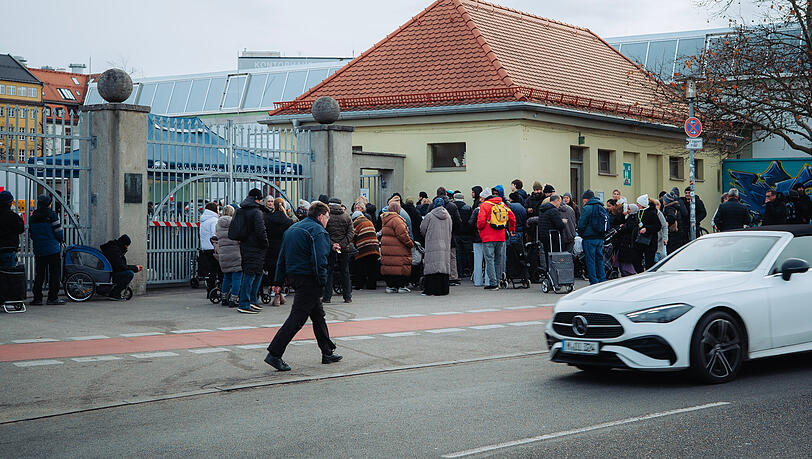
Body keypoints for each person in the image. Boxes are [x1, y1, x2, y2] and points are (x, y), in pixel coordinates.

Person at [265, 201, 341, 372]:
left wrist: (277, 281)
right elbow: (318, 259)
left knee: (318, 315)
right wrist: (322, 282)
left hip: (295, 276)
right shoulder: (319, 231)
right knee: (297, 318)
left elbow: (282, 257)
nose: (327, 221)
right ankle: (274, 353)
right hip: (309, 279)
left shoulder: (293, 229)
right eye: (327, 217)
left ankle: (327, 351)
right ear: (321, 216)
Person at [228, 188, 268, 314]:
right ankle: (245, 303)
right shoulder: (256, 212)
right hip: (256, 247)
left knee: (256, 273)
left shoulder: (242, 210)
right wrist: (265, 243)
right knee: (251, 274)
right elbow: (260, 230)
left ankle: (252, 300)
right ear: (257, 199)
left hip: (245, 246)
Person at [28, 195, 65, 305]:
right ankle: (52, 297)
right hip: (52, 249)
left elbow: (32, 234)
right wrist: (60, 240)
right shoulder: (52, 215)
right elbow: (58, 232)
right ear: (49, 204)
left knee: (39, 274)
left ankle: (37, 298)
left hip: (39, 249)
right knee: (54, 273)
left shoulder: (33, 217)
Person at [477, 188, 516, 290]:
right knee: (498, 259)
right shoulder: (502, 204)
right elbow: (512, 217)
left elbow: (481, 221)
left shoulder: (484, 206)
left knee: (489, 259)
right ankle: (499, 281)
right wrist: (511, 229)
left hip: (488, 237)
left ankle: (493, 283)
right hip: (501, 236)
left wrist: (480, 230)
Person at [420, 197, 453, 296]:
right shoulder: (448, 216)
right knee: (443, 265)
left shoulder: (429, 216)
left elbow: (422, 229)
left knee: (432, 266)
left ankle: (431, 289)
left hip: (432, 244)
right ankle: (443, 289)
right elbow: (450, 230)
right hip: (445, 244)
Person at [323, 198, 353, 304]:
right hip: (343, 249)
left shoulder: (327, 216)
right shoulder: (347, 216)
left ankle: (327, 297)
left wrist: (333, 245)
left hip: (330, 249)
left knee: (329, 271)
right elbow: (350, 233)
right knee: (345, 271)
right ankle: (347, 297)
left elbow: (324, 233)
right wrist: (341, 244)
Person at [264, 198, 293, 306]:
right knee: (281, 272)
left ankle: (276, 294)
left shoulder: (267, 219)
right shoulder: (288, 221)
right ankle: (279, 294)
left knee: (272, 272)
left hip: (270, 249)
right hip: (283, 249)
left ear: (274, 206)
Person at [380, 200, 414, 293]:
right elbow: (403, 235)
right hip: (398, 249)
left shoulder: (385, 219)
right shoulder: (397, 220)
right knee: (399, 267)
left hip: (388, 249)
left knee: (390, 266)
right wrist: (410, 243)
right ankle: (401, 286)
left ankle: (391, 286)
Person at [99, 235, 143, 301]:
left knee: (128, 272)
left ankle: (115, 291)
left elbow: (120, 265)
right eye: (126, 245)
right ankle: (115, 294)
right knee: (129, 274)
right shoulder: (114, 250)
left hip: (109, 272)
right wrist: (135, 268)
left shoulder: (113, 248)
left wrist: (134, 267)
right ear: (123, 244)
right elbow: (120, 266)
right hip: (110, 274)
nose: (127, 247)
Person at [577, 190, 606, 285]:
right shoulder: (601, 206)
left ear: (586, 199)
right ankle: (602, 279)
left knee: (591, 260)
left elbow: (581, 223)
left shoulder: (587, 208)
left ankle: (593, 281)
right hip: (600, 237)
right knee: (600, 259)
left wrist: (581, 233)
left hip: (589, 238)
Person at [215, 205, 241, 307]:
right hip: (235, 252)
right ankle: (233, 298)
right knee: (237, 276)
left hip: (223, 253)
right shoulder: (235, 223)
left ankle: (224, 297)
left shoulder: (218, 224)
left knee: (226, 276)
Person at [351, 210, 380, 290]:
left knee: (360, 267)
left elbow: (353, 236)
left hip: (364, 248)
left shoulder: (356, 223)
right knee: (372, 268)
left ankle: (359, 285)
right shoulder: (369, 221)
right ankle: (372, 285)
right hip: (374, 247)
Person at [636, 195, 662, 270]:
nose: (637, 205)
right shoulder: (638, 213)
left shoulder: (652, 213)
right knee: (637, 260)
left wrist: (647, 229)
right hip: (640, 240)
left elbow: (658, 226)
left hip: (650, 241)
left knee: (649, 262)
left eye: (638, 203)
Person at [199, 202, 221, 291]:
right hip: (213, 248)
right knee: (217, 269)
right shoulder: (214, 220)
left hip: (205, 247)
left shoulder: (203, 220)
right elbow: (215, 234)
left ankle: (210, 288)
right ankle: (215, 288)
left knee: (211, 270)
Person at [616, 203, 642, 276]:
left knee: (626, 259)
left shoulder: (633, 218)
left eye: (629, 209)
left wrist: (623, 226)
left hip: (629, 242)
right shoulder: (629, 217)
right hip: (627, 241)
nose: (627, 211)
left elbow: (629, 226)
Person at [0, 191, 24, 268]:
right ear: (10, 203)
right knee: (8, 275)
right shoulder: (13, 216)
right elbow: (21, 229)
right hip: (9, 249)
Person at [452, 192, 473, 278]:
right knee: (468, 253)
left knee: (458, 254)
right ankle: (469, 271)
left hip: (456, 234)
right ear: (463, 199)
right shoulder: (468, 208)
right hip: (467, 234)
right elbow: (471, 221)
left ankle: (459, 272)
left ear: (454, 198)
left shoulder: (452, 207)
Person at [661, 188, 687, 254]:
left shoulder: (669, 208)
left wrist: (666, 223)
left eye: (664, 200)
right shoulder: (675, 206)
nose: (663, 201)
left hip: (673, 234)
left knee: (672, 252)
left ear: (666, 201)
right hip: (678, 233)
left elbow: (671, 217)